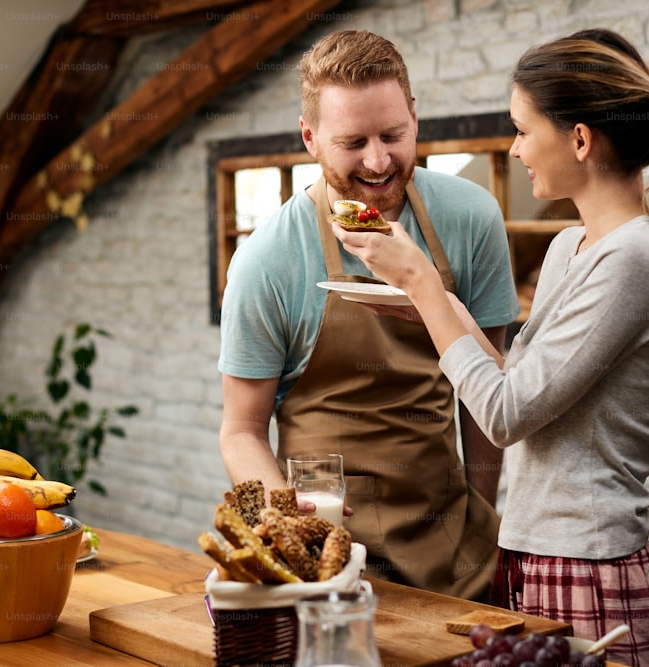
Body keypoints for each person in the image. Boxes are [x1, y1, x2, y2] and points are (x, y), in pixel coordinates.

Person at [333, 28, 649, 667]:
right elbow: (516, 381)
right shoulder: (569, 248)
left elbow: (506, 415)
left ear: (579, 139)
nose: (515, 149)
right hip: (536, 560)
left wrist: (422, 285)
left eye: (522, 129)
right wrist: (422, 296)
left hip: (591, 574)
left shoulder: (633, 261)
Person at [217, 29, 521, 600]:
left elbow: (486, 396)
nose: (379, 161)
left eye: (393, 135)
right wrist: (283, 516)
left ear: (415, 117)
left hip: (454, 546)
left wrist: (482, 511)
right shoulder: (267, 259)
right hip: (326, 557)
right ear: (310, 137)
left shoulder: (472, 218)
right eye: (353, 141)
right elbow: (241, 430)